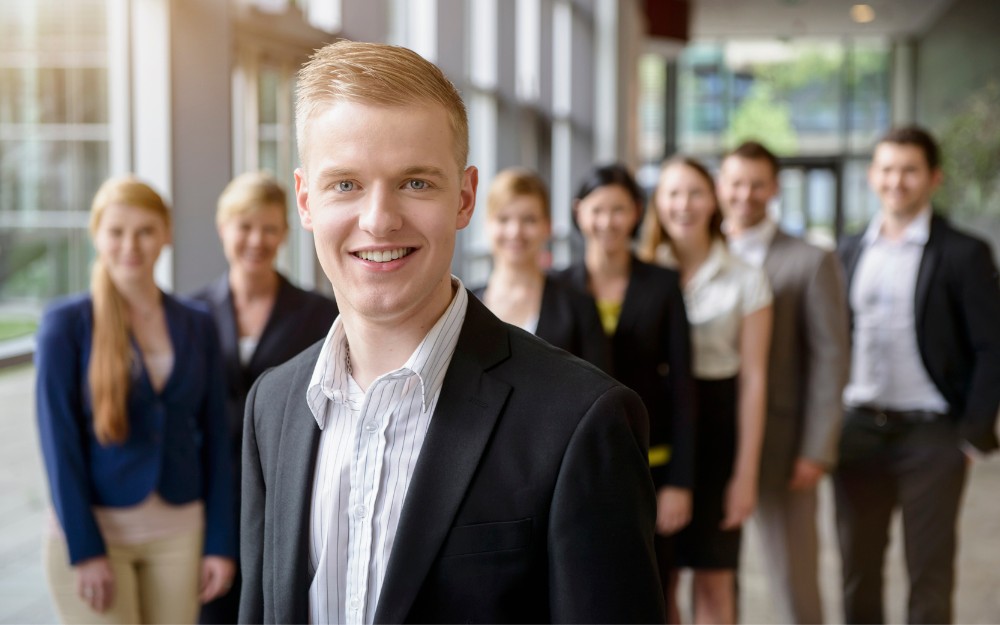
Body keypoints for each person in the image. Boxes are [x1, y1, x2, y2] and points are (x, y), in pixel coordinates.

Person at [238, 40, 665, 624]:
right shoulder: (274, 404)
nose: (379, 219)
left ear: (464, 197)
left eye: (416, 183)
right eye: (345, 184)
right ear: (305, 199)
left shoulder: (579, 421)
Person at [35, 175, 236, 624]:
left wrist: (221, 543)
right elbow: (58, 445)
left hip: (180, 532)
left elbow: (218, 441)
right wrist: (85, 551)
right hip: (96, 534)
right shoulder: (65, 325)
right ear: (97, 236)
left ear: (166, 234)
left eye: (145, 230)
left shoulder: (197, 322)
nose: (132, 244)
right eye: (117, 231)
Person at [835, 126, 1000, 624]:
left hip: (932, 433)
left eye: (909, 170)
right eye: (887, 169)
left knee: (928, 569)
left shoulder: (964, 253)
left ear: (933, 178)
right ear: (871, 177)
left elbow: (992, 347)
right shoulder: (846, 251)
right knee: (857, 568)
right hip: (857, 430)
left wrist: (971, 435)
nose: (896, 181)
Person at [190, 171, 338, 623]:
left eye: (270, 227)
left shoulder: (318, 313)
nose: (257, 239)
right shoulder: (190, 314)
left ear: (285, 233)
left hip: (284, 489)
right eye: (245, 226)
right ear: (223, 228)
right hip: (207, 495)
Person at [717, 140, 849, 624]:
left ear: (773, 189)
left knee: (794, 579)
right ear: (720, 185)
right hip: (712, 444)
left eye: (756, 184)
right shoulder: (697, 254)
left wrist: (816, 448)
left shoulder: (810, 260)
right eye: (735, 182)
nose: (745, 194)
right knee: (713, 579)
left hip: (784, 444)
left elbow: (831, 360)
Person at [553, 163, 696, 600]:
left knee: (657, 586)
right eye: (597, 210)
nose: (607, 222)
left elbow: (685, 387)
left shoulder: (664, 284)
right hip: (576, 461)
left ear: (636, 212)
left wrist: (680, 483)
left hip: (653, 458)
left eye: (619, 210)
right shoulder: (558, 286)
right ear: (579, 212)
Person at [640, 156, 771, 624]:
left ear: (713, 198)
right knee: (661, 579)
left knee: (715, 577)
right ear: (657, 202)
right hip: (659, 432)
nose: (684, 204)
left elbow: (754, 380)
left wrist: (746, 474)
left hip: (718, 431)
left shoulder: (746, 278)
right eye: (672, 193)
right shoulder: (642, 272)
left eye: (695, 192)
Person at [472, 166, 608, 370]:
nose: (515, 231)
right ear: (487, 224)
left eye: (529, 220)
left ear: (548, 226)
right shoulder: (465, 306)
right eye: (503, 219)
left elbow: (604, 390)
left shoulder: (578, 305)